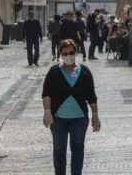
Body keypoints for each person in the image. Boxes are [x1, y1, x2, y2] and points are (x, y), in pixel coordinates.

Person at [42, 39, 100, 175]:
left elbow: (91, 96)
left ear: (76, 52)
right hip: (58, 119)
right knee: (59, 149)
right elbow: (46, 93)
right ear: (61, 55)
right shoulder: (54, 72)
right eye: (65, 53)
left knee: (78, 148)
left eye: (71, 52)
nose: (69, 55)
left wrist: (95, 115)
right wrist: (47, 112)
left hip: (79, 118)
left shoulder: (85, 72)